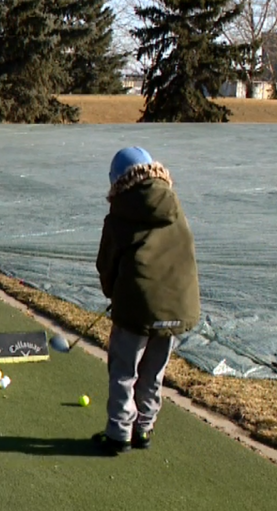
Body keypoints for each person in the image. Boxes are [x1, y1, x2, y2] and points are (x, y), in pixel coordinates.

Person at [92, 147, 201, 456]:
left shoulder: (119, 214)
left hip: (137, 308)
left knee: (125, 370)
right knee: (153, 371)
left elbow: (107, 265)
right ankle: (144, 428)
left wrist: (113, 292)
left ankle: (118, 433)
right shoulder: (175, 207)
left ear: (117, 180)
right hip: (177, 306)